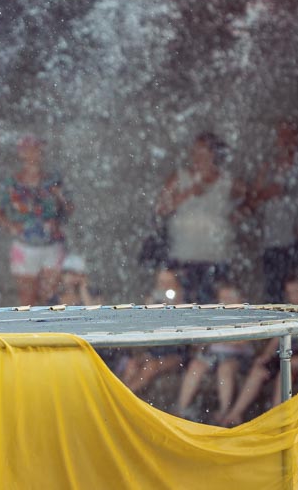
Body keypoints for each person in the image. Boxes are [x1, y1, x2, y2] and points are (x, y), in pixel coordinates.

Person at [156, 131, 245, 304]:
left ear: (213, 154)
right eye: (195, 152)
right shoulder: (180, 177)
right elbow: (161, 208)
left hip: (216, 257)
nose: (197, 157)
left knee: (214, 307)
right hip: (183, 257)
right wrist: (188, 193)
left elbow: (250, 199)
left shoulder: (227, 180)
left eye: (202, 152)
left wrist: (235, 216)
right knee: (182, 305)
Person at [218, 271, 298, 426]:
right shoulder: (291, 310)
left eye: (297, 292)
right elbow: (279, 335)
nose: (293, 297)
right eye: (290, 293)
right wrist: (266, 355)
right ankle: (235, 414)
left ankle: (276, 418)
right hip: (288, 349)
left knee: (285, 372)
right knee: (259, 370)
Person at [0, 135, 74, 306]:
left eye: (38, 149)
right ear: (21, 153)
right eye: (30, 149)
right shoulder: (12, 183)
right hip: (25, 245)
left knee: (51, 296)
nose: (35, 153)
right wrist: (11, 226)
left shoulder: (53, 181)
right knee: (27, 299)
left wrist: (60, 198)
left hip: (51, 244)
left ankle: (49, 324)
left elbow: (69, 208)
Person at [244, 119, 298, 303]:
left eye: (290, 135)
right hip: (274, 241)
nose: (285, 140)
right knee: (274, 294)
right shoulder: (268, 168)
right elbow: (250, 203)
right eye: (282, 135)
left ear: (297, 138)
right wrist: (266, 194)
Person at [175, 280, 253, 422]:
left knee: (225, 368)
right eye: (223, 299)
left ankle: (224, 411)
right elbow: (203, 339)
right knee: (195, 365)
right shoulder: (215, 315)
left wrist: (221, 337)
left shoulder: (246, 316)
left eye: (230, 299)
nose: (226, 303)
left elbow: (243, 341)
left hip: (236, 357)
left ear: (240, 299)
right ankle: (181, 408)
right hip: (213, 356)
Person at [120, 268, 189, 396]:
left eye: (169, 283)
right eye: (161, 282)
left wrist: (172, 306)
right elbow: (143, 328)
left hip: (175, 353)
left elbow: (181, 336)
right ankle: (120, 393)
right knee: (132, 364)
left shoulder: (183, 306)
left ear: (177, 285)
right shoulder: (154, 303)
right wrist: (148, 309)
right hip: (154, 351)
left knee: (150, 366)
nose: (164, 286)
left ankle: (123, 397)